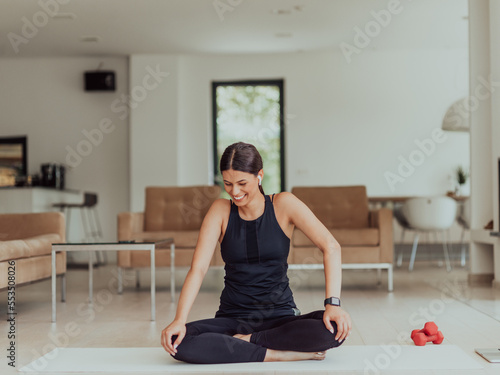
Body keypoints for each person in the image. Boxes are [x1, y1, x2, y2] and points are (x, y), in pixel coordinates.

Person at [161, 142, 351, 363]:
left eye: (242, 183)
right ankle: (276, 354)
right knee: (180, 342)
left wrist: (332, 305)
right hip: (232, 319)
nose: (235, 192)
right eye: (228, 184)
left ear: (259, 175)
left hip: (280, 317)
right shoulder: (220, 210)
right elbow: (198, 269)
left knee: (334, 327)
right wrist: (179, 319)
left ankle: (248, 342)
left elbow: (331, 246)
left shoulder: (283, 204)